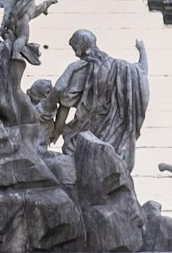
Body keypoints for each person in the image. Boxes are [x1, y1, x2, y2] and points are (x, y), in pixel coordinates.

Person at [43, 30, 150, 170]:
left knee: (72, 148)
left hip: (88, 131)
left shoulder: (81, 69)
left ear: (80, 48)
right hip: (116, 135)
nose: (76, 54)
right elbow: (142, 71)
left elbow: (64, 103)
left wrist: (56, 130)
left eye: (75, 49)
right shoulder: (122, 68)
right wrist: (142, 50)